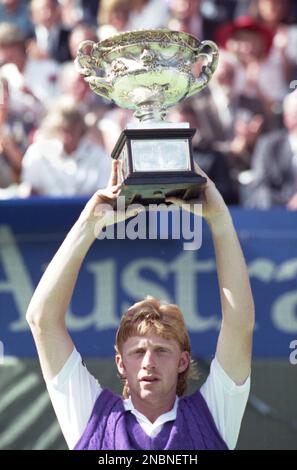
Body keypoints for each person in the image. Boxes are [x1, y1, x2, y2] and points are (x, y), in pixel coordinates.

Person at [26, 160, 255, 450]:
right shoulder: (92, 416)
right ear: (120, 363)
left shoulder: (213, 414)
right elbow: (41, 319)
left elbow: (240, 325)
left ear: (183, 361)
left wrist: (220, 219)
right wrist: (90, 223)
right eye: (137, 352)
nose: (149, 362)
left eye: (161, 350)